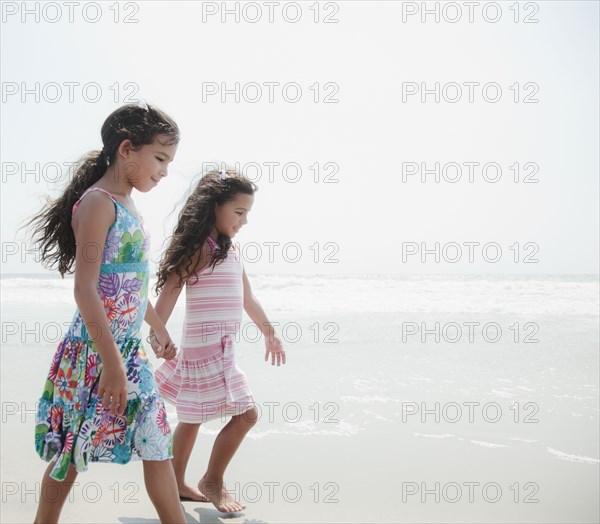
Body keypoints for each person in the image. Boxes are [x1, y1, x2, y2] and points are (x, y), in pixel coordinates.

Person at [27, 103, 187, 523]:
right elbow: (86, 290)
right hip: (95, 354)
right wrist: (111, 364)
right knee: (73, 452)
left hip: (129, 353)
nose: (165, 171)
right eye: (160, 158)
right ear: (127, 149)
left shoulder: (129, 205)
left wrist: (158, 329)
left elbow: (127, 285)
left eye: (169, 162)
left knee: (156, 439)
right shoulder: (98, 203)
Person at [150, 168, 286, 513]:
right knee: (247, 414)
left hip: (221, 350)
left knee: (193, 416)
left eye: (247, 214)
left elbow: (247, 298)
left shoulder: (229, 250)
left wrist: (270, 333)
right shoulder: (200, 249)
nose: (243, 221)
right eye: (239, 212)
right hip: (204, 351)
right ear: (215, 207)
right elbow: (169, 291)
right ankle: (211, 480)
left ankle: (178, 482)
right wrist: (158, 334)